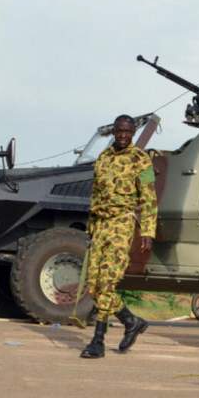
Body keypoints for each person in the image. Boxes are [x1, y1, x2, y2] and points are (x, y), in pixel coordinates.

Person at [80, 115, 158, 359]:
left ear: (133, 132)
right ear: (114, 131)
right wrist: (91, 227)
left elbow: (149, 196)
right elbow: (95, 194)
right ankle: (131, 321)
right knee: (93, 285)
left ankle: (98, 340)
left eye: (127, 131)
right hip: (101, 224)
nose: (123, 135)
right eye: (119, 131)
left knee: (107, 282)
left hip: (122, 222)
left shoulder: (141, 159)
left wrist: (147, 230)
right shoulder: (103, 157)